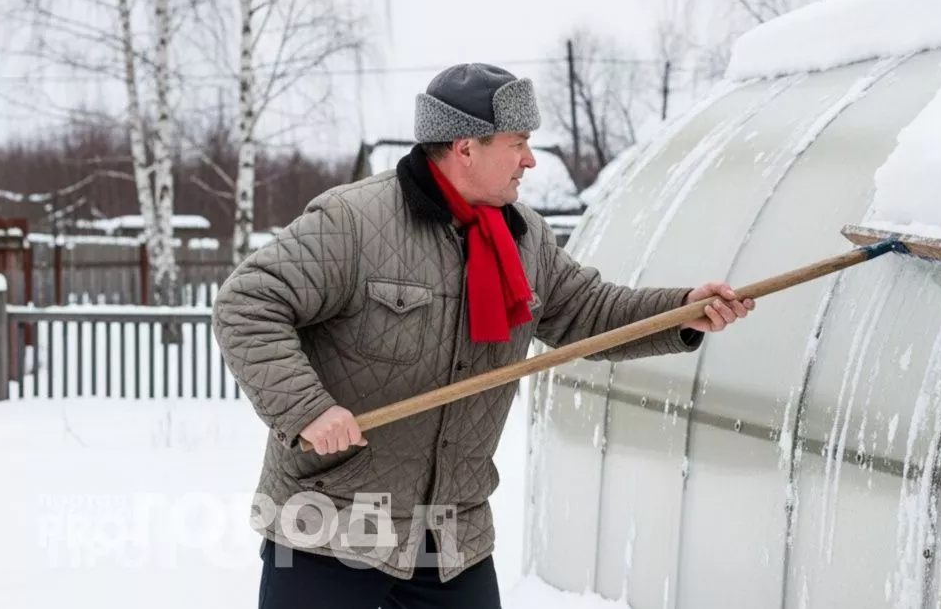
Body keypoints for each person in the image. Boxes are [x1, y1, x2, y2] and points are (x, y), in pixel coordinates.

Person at [211, 63, 755, 609]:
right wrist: (308, 409)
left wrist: (681, 311)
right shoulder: (353, 222)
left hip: (450, 536)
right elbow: (246, 303)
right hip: (335, 521)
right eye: (518, 143)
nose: (529, 159)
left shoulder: (525, 239)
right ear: (466, 147)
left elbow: (587, 312)